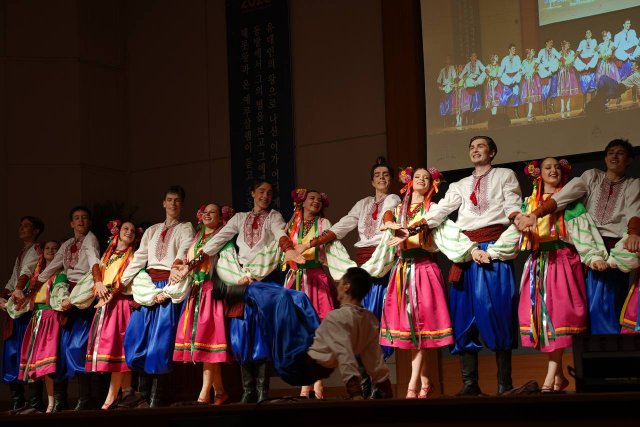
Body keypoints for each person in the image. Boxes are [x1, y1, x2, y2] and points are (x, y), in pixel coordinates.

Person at [487, 158, 608, 393]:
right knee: (543, 321)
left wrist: (593, 256)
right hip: (538, 265)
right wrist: (492, 251)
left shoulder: (570, 202)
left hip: (562, 262)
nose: (553, 170)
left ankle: (549, 379)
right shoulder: (530, 203)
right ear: (538, 174)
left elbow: (583, 233)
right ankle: (559, 376)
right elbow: (515, 232)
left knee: (559, 318)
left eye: (557, 167)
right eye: (547, 167)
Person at [422, 135, 523, 396]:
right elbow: (443, 209)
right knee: (463, 315)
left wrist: (518, 218)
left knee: (499, 311)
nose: (475, 150)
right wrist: (419, 224)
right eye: (472, 147)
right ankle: (470, 383)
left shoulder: (505, 175)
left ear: (492, 152)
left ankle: (504, 384)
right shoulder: (459, 184)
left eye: (481, 146)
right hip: (466, 252)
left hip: (494, 249)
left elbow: (512, 204)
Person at [365, 166, 478, 399]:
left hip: (424, 270)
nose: (421, 180)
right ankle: (426, 382)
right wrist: (390, 223)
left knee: (420, 328)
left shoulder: (433, 210)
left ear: (431, 185)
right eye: (417, 177)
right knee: (410, 330)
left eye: (426, 178)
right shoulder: (398, 210)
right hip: (402, 272)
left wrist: (471, 249)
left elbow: (450, 234)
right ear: (409, 182)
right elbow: (388, 222)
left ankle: (412, 385)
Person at [194, 179, 305, 403]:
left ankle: (262, 392)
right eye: (261, 191)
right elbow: (220, 238)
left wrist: (288, 249)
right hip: (242, 281)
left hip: (263, 280)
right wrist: (195, 260)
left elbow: (279, 233)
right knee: (241, 334)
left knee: (263, 334)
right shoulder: (239, 218)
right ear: (252, 193)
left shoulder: (273, 216)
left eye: (269, 193)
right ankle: (248, 391)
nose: (265, 196)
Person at [516, 139, 640, 335]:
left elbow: (634, 210)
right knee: (590, 304)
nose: (614, 156)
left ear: (630, 160)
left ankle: (613, 348)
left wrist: (633, 233)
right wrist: (536, 214)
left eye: (620, 153)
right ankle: (596, 349)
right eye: (610, 153)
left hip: (615, 249)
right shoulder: (592, 177)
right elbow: (565, 195)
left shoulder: (633, 185)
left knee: (611, 301)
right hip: (589, 247)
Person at [212, 267, 393, 400]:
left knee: (282, 298)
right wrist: (386, 390)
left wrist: (355, 393)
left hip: (296, 363)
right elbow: (374, 358)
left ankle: (233, 292)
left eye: (340, 282)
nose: (336, 285)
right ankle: (237, 293)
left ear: (346, 286)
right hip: (307, 359)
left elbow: (344, 354)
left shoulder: (338, 317)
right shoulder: (369, 319)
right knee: (298, 297)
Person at [302, 156, 401, 397]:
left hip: (380, 265)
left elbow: (388, 213)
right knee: (355, 326)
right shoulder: (363, 203)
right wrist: (314, 242)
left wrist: (388, 223)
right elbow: (343, 225)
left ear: (390, 180)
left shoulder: (393, 199)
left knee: (372, 324)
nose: (381, 178)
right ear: (371, 181)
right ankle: (364, 385)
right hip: (362, 265)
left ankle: (379, 384)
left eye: (386, 175)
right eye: (377, 175)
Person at [120, 185, 195, 407]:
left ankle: (155, 399)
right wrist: (120, 282)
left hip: (170, 284)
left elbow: (183, 252)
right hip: (147, 288)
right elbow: (140, 258)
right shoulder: (152, 230)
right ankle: (142, 396)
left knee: (160, 344)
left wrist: (169, 285)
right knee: (138, 338)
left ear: (182, 204)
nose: (173, 204)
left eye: (177, 200)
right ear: (163, 203)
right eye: (169, 200)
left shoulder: (185, 227)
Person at [67, 220, 142, 410]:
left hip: (120, 304)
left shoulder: (133, 256)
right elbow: (97, 274)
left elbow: (124, 281)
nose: (129, 232)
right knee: (114, 352)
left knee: (119, 352)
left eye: (133, 231)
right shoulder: (108, 255)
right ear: (117, 232)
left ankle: (110, 399)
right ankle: (127, 394)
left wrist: (109, 293)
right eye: (126, 228)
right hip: (106, 305)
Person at [35, 206, 101, 410]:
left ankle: (85, 399)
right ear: (71, 223)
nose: (81, 221)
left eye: (84, 218)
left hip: (83, 296)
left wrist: (98, 282)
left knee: (78, 347)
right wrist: (29, 290)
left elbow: (94, 263)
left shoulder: (90, 239)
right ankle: (61, 401)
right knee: (63, 348)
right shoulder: (67, 244)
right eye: (76, 218)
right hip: (66, 296)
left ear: (89, 222)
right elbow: (51, 268)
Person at [172, 203, 235, 405]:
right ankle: (220, 392)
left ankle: (203, 395)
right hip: (196, 291)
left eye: (213, 212)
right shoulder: (197, 238)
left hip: (211, 291)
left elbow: (229, 264)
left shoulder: (222, 237)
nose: (208, 215)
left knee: (208, 344)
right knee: (204, 344)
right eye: (205, 212)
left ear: (220, 217)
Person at [283, 189, 336, 399]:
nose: (315, 202)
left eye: (319, 200)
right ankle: (305, 383)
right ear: (302, 202)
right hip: (295, 279)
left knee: (318, 331)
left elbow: (332, 248)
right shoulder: (291, 224)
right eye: (311, 198)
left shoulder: (323, 224)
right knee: (300, 331)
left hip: (315, 278)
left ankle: (318, 383)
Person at [11, 240, 63, 413]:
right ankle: (43, 403)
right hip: (37, 319)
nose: (50, 251)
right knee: (36, 363)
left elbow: (61, 294)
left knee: (50, 363)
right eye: (47, 248)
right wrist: (11, 304)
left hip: (51, 318)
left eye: (55, 248)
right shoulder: (37, 275)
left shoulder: (60, 274)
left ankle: (55, 403)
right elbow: (25, 298)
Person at [1, 216, 45, 412]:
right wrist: (3, 296)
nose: (21, 228)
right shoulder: (22, 252)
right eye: (20, 225)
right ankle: (18, 402)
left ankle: (35, 403)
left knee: (27, 352)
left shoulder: (36, 249)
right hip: (16, 308)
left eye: (26, 226)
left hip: (26, 309)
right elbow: (13, 279)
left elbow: (26, 273)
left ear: (36, 231)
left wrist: (18, 290)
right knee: (12, 353)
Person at [574, 29, 599, 111]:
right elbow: (578, 51)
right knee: (584, 86)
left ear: (591, 34)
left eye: (589, 32)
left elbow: (596, 49)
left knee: (592, 86)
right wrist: (573, 58)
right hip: (584, 63)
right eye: (587, 33)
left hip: (591, 63)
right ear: (585, 35)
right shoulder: (582, 42)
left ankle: (593, 104)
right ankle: (584, 105)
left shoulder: (594, 41)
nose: (588, 34)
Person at [459, 52, 486, 125]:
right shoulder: (468, 65)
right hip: (470, 84)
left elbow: (484, 68)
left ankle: (473, 118)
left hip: (476, 83)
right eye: (473, 56)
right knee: (469, 103)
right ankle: (468, 118)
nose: (475, 57)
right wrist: (458, 79)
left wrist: (487, 71)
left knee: (476, 103)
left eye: (476, 56)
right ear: (470, 57)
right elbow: (463, 73)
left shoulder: (478, 62)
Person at [537, 39, 560, 116]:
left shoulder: (554, 50)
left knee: (553, 91)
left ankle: (551, 107)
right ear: (546, 43)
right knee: (545, 92)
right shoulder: (541, 51)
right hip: (546, 74)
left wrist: (563, 60)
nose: (551, 44)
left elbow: (559, 56)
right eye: (550, 42)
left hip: (553, 74)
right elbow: (538, 60)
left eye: (552, 43)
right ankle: (545, 109)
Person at [499, 43, 523, 119]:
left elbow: (520, 67)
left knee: (516, 95)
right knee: (505, 97)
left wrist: (521, 71)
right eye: (513, 49)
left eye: (515, 48)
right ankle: (504, 115)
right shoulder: (505, 59)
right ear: (509, 50)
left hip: (515, 78)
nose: (514, 50)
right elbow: (501, 69)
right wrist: (499, 76)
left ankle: (516, 113)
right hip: (507, 79)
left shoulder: (517, 58)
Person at [557, 40, 579, 118]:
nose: (568, 45)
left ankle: (568, 106)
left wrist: (570, 63)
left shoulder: (571, 52)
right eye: (567, 44)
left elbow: (573, 60)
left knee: (569, 88)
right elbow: (558, 62)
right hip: (562, 72)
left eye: (568, 44)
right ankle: (562, 107)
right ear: (564, 45)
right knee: (563, 89)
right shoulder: (560, 53)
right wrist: (561, 65)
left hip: (569, 71)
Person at [520, 48, 542, 122]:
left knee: (532, 98)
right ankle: (530, 113)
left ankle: (530, 113)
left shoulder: (535, 61)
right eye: (527, 54)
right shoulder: (524, 62)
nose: (529, 55)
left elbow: (537, 68)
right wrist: (523, 72)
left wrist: (535, 71)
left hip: (533, 80)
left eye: (530, 54)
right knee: (529, 98)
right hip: (527, 80)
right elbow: (522, 70)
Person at [436, 55, 457, 128]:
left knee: (451, 105)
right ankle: (446, 121)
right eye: (446, 59)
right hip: (444, 88)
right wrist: (440, 86)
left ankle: (452, 121)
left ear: (450, 60)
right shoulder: (442, 70)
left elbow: (454, 78)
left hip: (451, 87)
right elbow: (438, 81)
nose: (447, 61)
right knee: (444, 105)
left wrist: (452, 85)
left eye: (448, 59)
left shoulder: (452, 68)